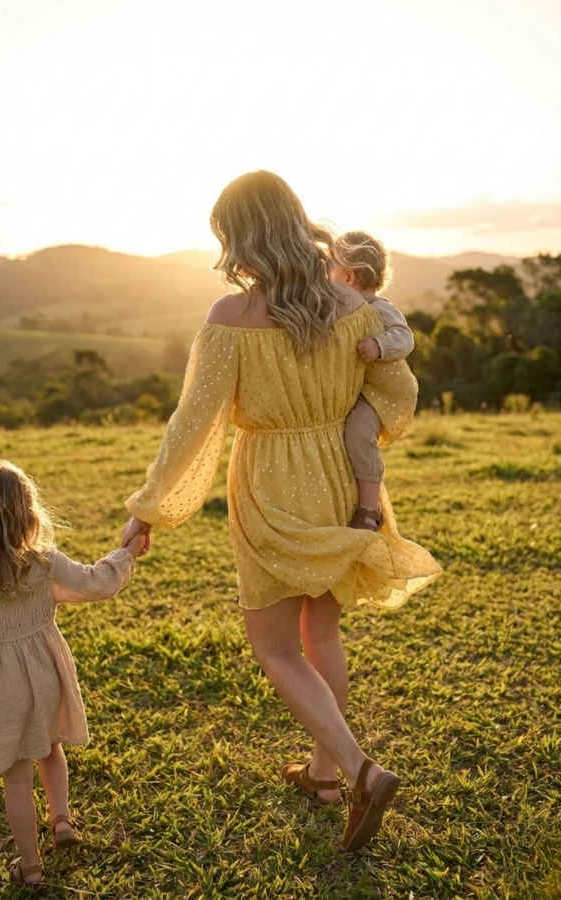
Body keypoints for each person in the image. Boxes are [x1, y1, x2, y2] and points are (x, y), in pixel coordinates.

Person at [122, 171, 442, 851]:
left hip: (270, 483)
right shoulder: (353, 302)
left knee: (274, 646)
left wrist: (148, 508)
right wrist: (350, 427)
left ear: (239, 239)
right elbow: (398, 390)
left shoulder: (231, 317)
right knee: (321, 635)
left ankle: (357, 769)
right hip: (338, 478)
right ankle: (324, 775)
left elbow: (191, 425)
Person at [0, 460, 144, 887]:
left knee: (16, 777)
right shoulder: (45, 564)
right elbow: (97, 582)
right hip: (44, 673)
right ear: (28, 512)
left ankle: (30, 866)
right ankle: (61, 819)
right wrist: (127, 553)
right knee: (50, 748)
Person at [332, 231, 416, 531]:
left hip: (383, 394)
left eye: (329, 270)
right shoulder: (341, 310)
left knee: (358, 434)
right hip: (362, 389)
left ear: (347, 277)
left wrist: (380, 346)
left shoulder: (380, 309)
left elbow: (405, 338)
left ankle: (369, 509)